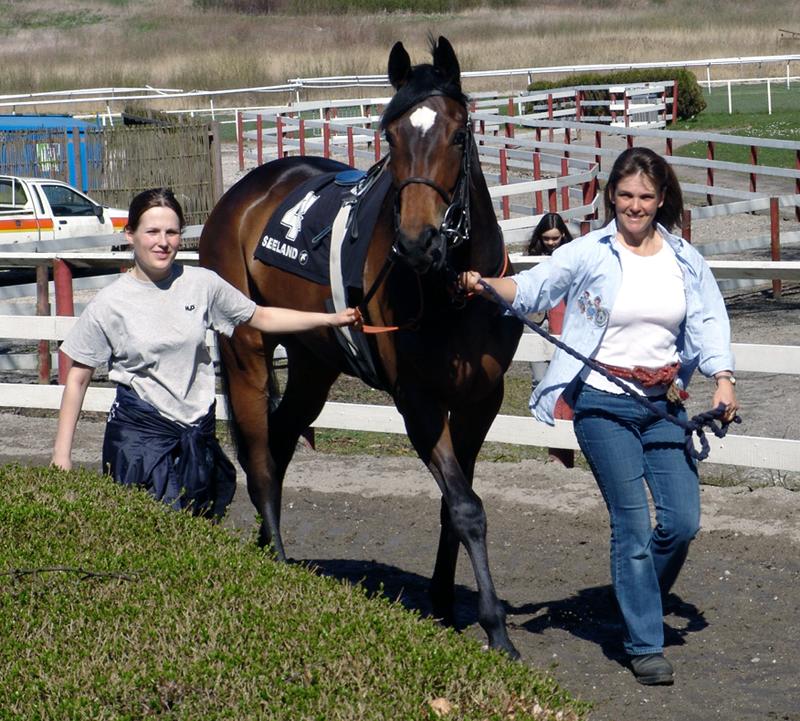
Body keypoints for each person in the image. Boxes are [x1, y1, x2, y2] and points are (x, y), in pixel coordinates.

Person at [460, 147, 739, 685]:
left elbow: (708, 319)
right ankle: (644, 643)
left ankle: (636, 595)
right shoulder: (589, 252)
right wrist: (484, 284)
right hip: (604, 402)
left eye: (646, 197)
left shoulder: (684, 258)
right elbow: (533, 289)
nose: (635, 206)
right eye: (626, 195)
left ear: (661, 199)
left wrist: (722, 378)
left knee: (682, 522)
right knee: (631, 524)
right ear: (612, 195)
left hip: (665, 403)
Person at [52, 188, 361, 519]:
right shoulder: (110, 303)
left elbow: (260, 316)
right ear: (130, 235)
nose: (163, 242)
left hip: (197, 435)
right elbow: (78, 378)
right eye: (152, 232)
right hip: (141, 440)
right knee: (150, 535)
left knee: (197, 531)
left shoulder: (202, 284)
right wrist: (62, 455)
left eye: (171, 232)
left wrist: (329, 319)